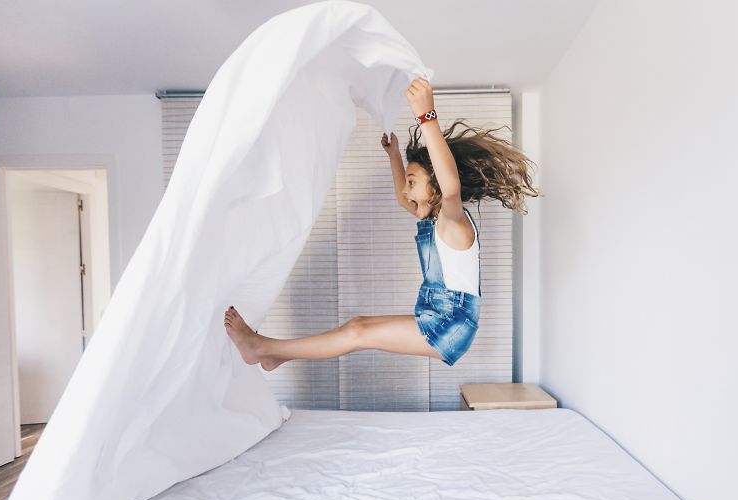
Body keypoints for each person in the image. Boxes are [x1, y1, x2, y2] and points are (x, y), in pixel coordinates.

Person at [224, 77, 539, 370]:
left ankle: (262, 349)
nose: (406, 190)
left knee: (358, 331)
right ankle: (275, 356)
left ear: (437, 188)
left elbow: (451, 187)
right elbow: (406, 200)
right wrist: (394, 158)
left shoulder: (454, 221)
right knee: (358, 325)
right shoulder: (433, 218)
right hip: (440, 316)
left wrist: (427, 116)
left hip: (451, 324)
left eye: (413, 182)